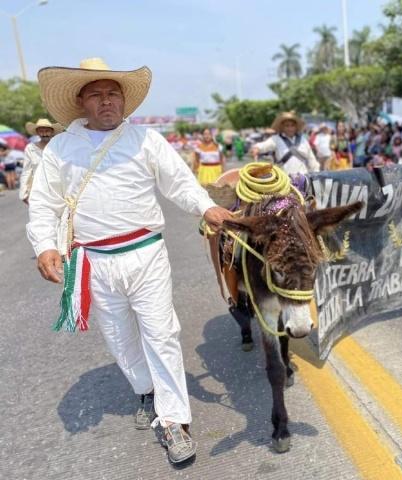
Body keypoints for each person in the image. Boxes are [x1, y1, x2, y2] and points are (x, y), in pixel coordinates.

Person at [27, 57, 233, 464]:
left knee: (162, 333)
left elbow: (180, 183)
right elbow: (45, 203)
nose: (106, 101)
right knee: (119, 337)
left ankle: (173, 420)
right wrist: (44, 246)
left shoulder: (147, 140)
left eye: (113, 93)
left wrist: (207, 208)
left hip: (146, 253)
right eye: (97, 94)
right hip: (95, 260)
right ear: (81, 102)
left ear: (123, 101)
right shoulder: (62, 148)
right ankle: (146, 388)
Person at [250, 111, 320, 175]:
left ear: (296, 127)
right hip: (285, 178)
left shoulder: (303, 140)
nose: (290, 128)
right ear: (282, 127)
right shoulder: (276, 139)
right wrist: (257, 148)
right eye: (287, 125)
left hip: (303, 178)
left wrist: (316, 173)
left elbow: (311, 159)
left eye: (292, 125)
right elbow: (263, 146)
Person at [19, 118, 64, 204]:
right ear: (37, 133)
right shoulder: (30, 148)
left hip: (57, 190)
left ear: (52, 132)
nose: (44, 134)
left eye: (47, 130)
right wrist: (23, 193)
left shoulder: (58, 147)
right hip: (37, 189)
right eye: (41, 131)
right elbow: (26, 171)